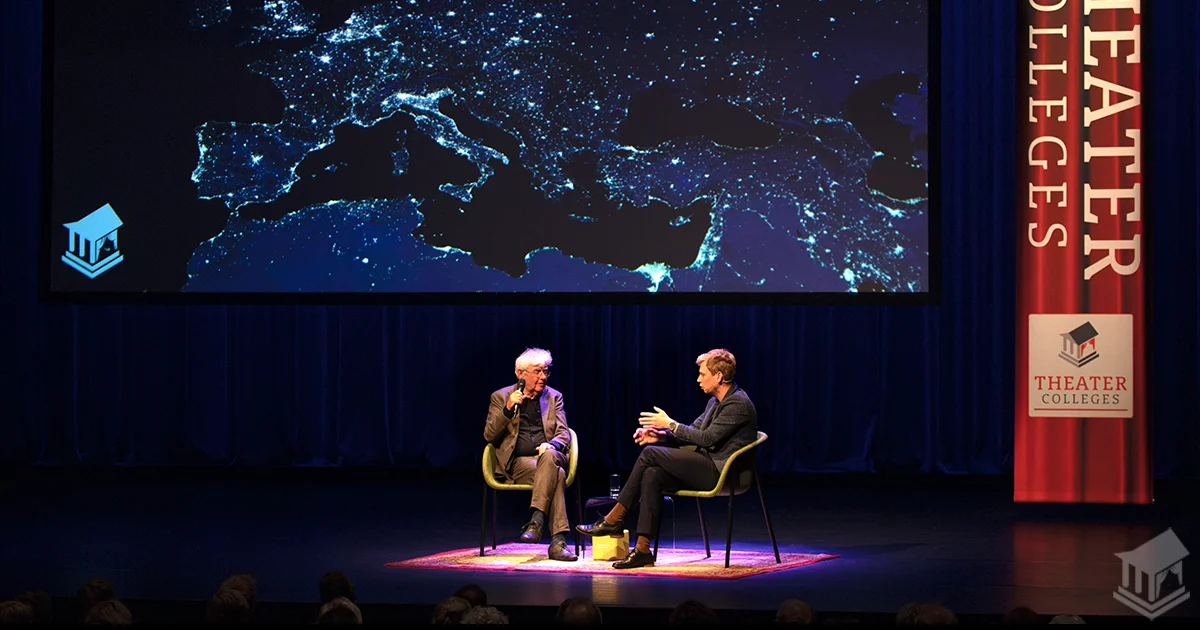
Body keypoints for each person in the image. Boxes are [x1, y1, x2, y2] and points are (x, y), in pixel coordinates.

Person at [577, 348, 757, 569]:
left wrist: (670, 424)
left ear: (718, 376)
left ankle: (613, 518)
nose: (698, 379)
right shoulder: (715, 402)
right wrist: (660, 436)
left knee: (650, 454)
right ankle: (643, 550)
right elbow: (694, 431)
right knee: (653, 473)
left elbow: (707, 438)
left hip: (723, 473)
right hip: (705, 465)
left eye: (702, 374)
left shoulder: (738, 403)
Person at [484, 347, 578, 562]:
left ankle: (536, 521)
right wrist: (507, 409)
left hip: (552, 455)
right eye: (537, 371)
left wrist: (551, 444)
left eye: (546, 371)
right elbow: (489, 435)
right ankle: (558, 543)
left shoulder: (554, 397)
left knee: (549, 458)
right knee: (557, 475)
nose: (543, 376)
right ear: (520, 373)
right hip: (519, 464)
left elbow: (563, 433)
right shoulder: (501, 397)